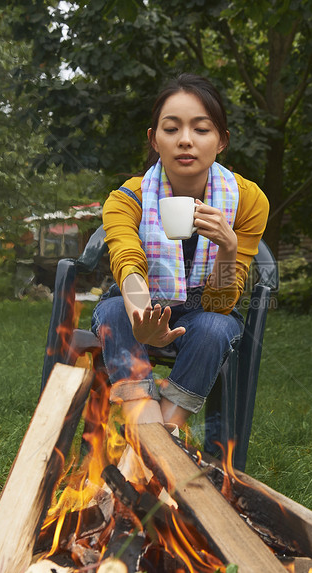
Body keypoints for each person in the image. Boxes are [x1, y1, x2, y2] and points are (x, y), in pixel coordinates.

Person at [91, 74, 269, 431]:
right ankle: (154, 436)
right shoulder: (127, 198)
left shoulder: (249, 200)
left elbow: (221, 304)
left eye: (201, 130)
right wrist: (143, 320)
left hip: (205, 310)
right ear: (154, 139)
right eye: (171, 129)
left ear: (221, 141)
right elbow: (129, 263)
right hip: (142, 303)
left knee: (215, 326)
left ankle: (156, 437)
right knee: (113, 310)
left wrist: (228, 247)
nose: (186, 140)